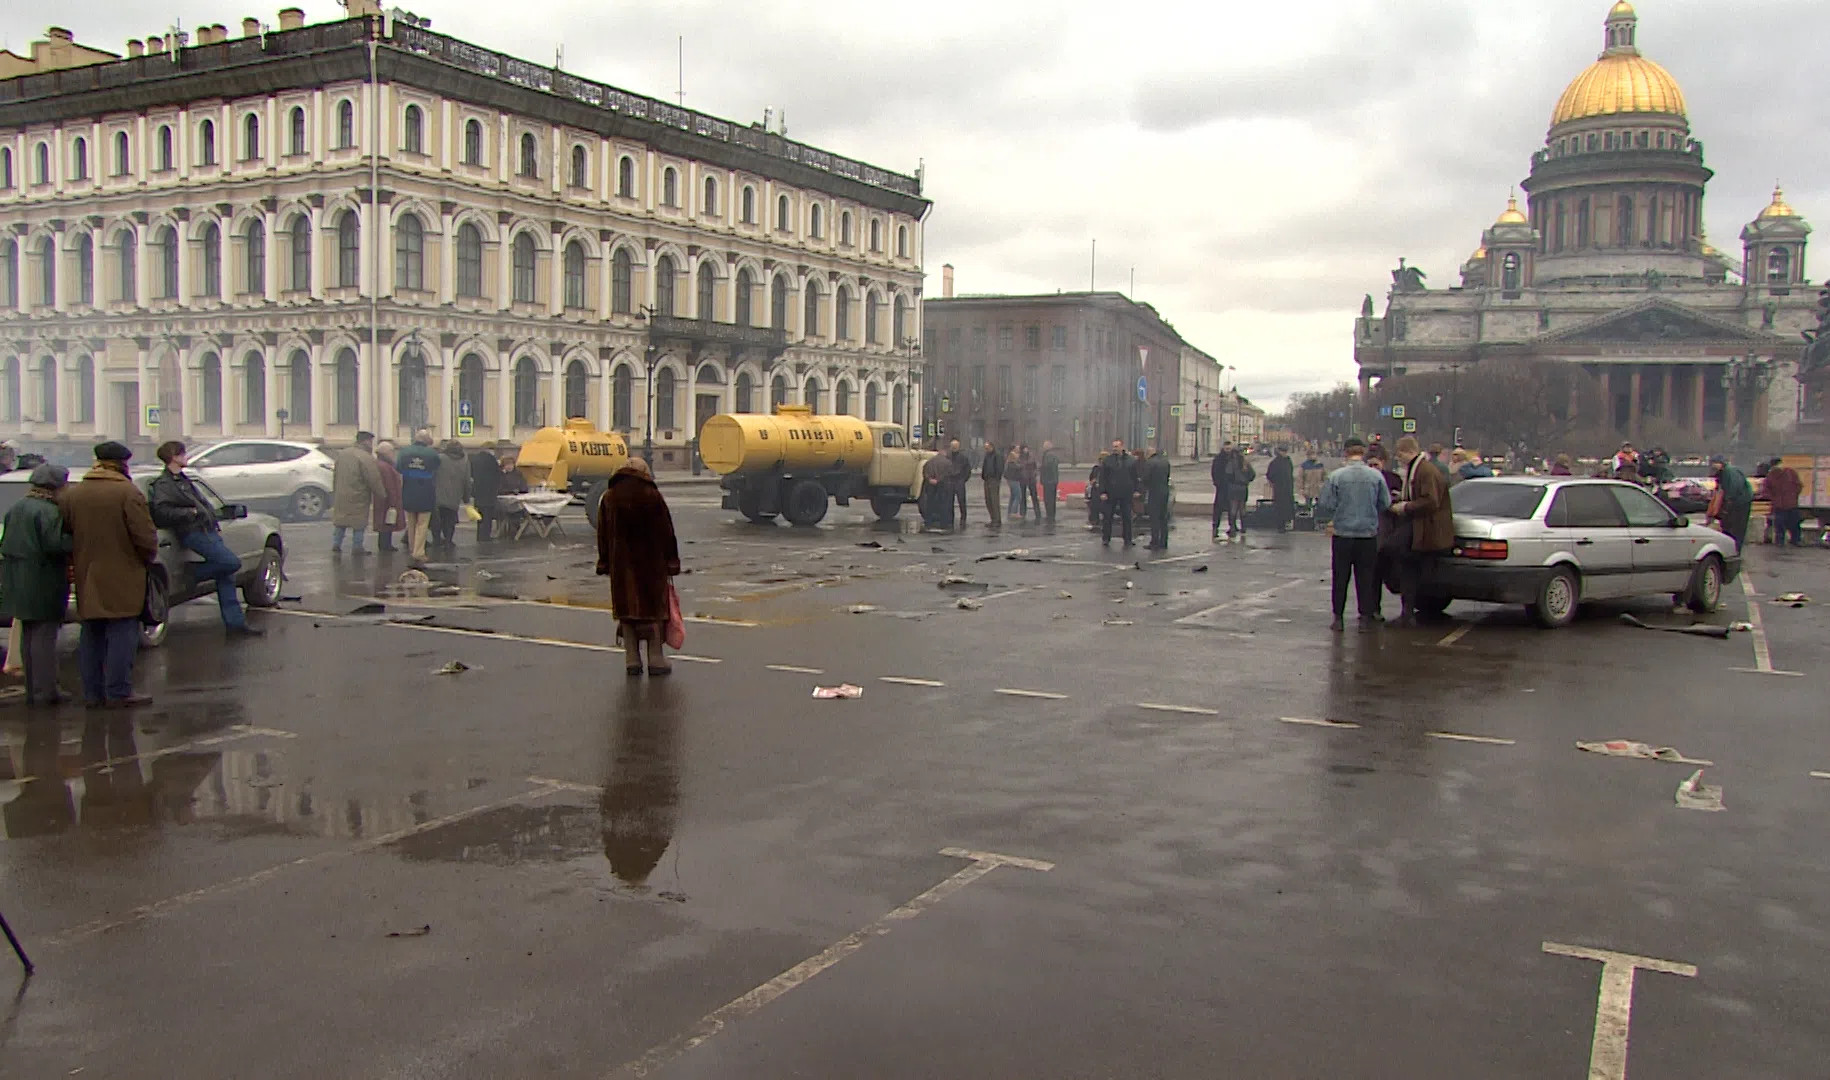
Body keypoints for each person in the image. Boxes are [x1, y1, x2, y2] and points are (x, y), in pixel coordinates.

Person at [63, 442, 158, 708]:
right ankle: (119, 691)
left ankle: (92, 693)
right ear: (122, 464)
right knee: (122, 632)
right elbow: (146, 538)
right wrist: (146, 559)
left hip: (87, 574)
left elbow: (67, 532)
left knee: (91, 633)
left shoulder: (75, 493)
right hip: (123, 574)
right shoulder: (127, 493)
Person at [148, 441, 261, 637]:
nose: (186, 457)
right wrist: (190, 513)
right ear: (173, 457)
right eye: (183, 454)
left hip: (207, 530)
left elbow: (202, 505)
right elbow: (162, 511)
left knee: (226, 576)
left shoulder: (183, 480)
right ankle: (193, 573)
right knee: (231, 563)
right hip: (193, 531)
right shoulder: (164, 484)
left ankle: (235, 624)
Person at [595, 457, 681, 677]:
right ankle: (655, 659)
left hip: (621, 567)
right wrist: (672, 561)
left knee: (627, 613)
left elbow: (602, 534)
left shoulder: (609, 498)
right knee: (652, 613)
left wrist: (604, 561)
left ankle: (631, 658)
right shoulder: (652, 496)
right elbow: (666, 532)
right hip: (651, 566)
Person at [1, 464, 74, 705]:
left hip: (18, 582)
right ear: (56, 486)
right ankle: (45, 691)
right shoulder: (48, 511)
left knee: (29, 638)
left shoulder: (17, 508)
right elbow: (56, 544)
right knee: (44, 638)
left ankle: (34, 690)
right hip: (43, 581)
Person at [1317, 438, 1391, 631]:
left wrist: (1341, 509)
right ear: (1363, 455)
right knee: (1365, 578)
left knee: (1340, 577)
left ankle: (1338, 618)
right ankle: (1365, 618)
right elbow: (1385, 503)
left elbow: (1326, 503)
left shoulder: (1336, 476)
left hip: (1343, 533)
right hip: (1367, 534)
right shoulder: (1375, 476)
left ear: (1346, 455)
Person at [1387, 435, 1454, 627]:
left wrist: (1405, 506)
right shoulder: (1420, 468)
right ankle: (1407, 612)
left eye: (1400, 455)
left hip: (1425, 529)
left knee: (1397, 555)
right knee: (1408, 566)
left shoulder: (1425, 471)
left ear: (1409, 451)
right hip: (1421, 528)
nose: (1398, 459)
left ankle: (1408, 612)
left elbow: (1430, 501)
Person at [331, 431, 384, 554]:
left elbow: (336, 474)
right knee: (358, 524)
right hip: (358, 495)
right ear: (366, 441)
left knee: (340, 522)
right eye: (371, 442)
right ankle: (357, 547)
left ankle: (336, 544)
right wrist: (382, 494)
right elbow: (373, 478)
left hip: (341, 494)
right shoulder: (365, 457)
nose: (371, 445)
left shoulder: (342, 454)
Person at [395, 429, 442, 563]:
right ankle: (418, 552)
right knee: (422, 523)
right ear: (427, 440)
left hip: (408, 489)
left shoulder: (404, 452)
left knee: (411, 522)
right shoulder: (432, 454)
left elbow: (398, 468)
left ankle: (412, 548)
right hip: (425, 490)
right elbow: (436, 467)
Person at [1708, 455, 1753, 552]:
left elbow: (1731, 490)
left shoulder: (1729, 472)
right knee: (1732, 527)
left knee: (1736, 528)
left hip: (1740, 503)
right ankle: (1732, 548)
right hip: (1739, 501)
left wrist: (1725, 507)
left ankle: (1734, 549)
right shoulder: (1725, 472)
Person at [1097, 440, 1137, 548]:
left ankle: (1128, 539)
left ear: (1122, 447)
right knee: (1108, 517)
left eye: (1117, 446)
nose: (1114, 448)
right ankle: (1106, 538)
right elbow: (1102, 478)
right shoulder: (1107, 460)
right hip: (1111, 493)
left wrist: (1136, 490)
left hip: (1126, 493)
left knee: (1127, 517)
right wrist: (1103, 492)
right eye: (1113, 446)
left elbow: (1135, 477)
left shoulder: (1131, 460)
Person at [433, 440, 470, 549]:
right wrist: (466, 498)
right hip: (455, 497)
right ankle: (448, 540)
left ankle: (437, 540)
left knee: (437, 519)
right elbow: (467, 481)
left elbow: (432, 475)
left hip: (438, 495)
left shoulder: (439, 458)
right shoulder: (465, 461)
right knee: (450, 520)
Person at [372, 441, 405, 552]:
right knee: (387, 522)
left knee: (385, 522)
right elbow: (389, 485)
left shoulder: (381, 464)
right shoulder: (385, 467)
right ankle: (385, 545)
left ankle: (385, 544)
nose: (393, 454)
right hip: (387, 500)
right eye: (391, 451)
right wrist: (393, 501)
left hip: (382, 499)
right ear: (386, 453)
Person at [1763, 457, 1804, 548]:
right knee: (1787, 524)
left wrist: (1775, 499)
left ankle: (1787, 541)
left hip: (1783, 505)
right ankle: (1791, 541)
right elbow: (1799, 486)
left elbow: (1766, 491)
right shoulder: (1789, 473)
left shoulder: (1772, 475)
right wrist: (1793, 496)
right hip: (1786, 504)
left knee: (1785, 524)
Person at [1139, 445, 1173, 550]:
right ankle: (1164, 542)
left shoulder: (1149, 463)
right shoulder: (1165, 461)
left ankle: (1154, 542)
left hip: (1154, 492)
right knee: (1163, 518)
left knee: (1154, 518)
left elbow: (1146, 478)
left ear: (1149, 453)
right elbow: (1167, 476)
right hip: (1164, 491)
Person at [469, 445, 503, 542]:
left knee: (480, 516)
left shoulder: (475, 459)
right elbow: (497, 475)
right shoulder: (491, 460)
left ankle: (479, 535)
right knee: (487, 516)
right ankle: (485, 536)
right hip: (489, 493)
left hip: (478, 492)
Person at [920, 451, 953, 530]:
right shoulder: (948, 463)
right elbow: (948, 473)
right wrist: (938, 480)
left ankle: (928, 522)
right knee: (943, 504)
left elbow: (924, 471)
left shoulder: (929, 461)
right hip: (943, 485)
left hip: (930, 485)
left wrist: (930, 479)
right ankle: (943, 523)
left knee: (930, 504)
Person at [1210, 441, 1237, 539]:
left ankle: (1232, 527)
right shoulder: (1219, 459)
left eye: (1229, 449)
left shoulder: (1234, 458)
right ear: (1223, 448)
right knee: (1218, 509)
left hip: (1231, 487)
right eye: (1226, 449)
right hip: (1222, 487)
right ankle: (1215, 527)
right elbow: (1214, 472)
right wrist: (1217, 483)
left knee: (1232, 509)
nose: (1228, 451)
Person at [1227, 447, 1255, 538]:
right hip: (1243, 488)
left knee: (1233, 507)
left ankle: (1232, 528)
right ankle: (1244, 527)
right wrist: (1246, 481)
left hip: (1233, 487)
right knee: (1242, 507)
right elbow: (1252, 475)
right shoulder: (1245, 463)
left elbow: (1228, 475)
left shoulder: (1231, 463)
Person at [1267, 446, 1295, 532]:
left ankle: (1286, 522)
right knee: (1280, 507)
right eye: (1283, 451)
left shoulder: (1288, 461)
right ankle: (1280, 525)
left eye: (1285, 451)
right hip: (1279, 488)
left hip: (1287, 487)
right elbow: (1270, 475)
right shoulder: (1275, 462)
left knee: (1287, 506)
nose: (1284, 453)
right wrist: (1275, 482)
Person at [947, 439, 970, 528]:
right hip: (950, 481)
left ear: (958, 447)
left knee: (962, 501)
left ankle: (963, 518)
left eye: (955, 446)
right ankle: (950, 518)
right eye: (953, 446)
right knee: (949, 501)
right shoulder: (948, 457)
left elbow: (967, 470)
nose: (954, 447)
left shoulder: (963, 458)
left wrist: (963, 479)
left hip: (959, 481)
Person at [980, 441, 1004, 528]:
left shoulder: (997, 455)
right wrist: (983, 476)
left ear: (991, 447)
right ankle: (993, 518)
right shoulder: (987, 456)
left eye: (987, 448)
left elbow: (1000, 468)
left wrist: (997, 477)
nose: (986, 450)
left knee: (994, 500)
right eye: (985, 448)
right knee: (988, 500)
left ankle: (997, 520)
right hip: (987, 479)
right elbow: (985, 466)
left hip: (994, 480)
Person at [1039, 441, 1061, 524]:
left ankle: (1050, 515)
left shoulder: (1048, 455)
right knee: (1052, 499)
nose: (1043, 447)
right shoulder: (1052, 454)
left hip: (1049, 480)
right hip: (1053, 480)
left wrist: (1040, 468)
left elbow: (1047, 466)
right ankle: (1051, 514)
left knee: (1048, 499)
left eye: (1044, 446)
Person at [1021, 445, 1042, 521]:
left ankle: (1037, 513)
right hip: (1023, 479)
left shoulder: (1031, 457)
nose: (1026, 450)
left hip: (1031, 479)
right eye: (1024, 449)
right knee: (1023, 497)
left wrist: (1034, 473)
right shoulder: (1020, 457)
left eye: (1026, 448)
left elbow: (1037, 466)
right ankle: (1022, 513)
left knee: (1034, 496)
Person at [1004, 446, 1025, 520]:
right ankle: (1014, 512)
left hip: (1011, 480)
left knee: (1013, 496)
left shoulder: (1009, 464)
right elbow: (1019, 468)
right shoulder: (1012, 464)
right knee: (1018, 496)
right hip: (1014, 480)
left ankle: (1010, 512)